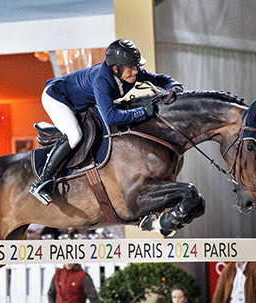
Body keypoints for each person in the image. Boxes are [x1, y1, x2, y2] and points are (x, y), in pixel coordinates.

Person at [29, 39, 183, 205]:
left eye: (135, 66)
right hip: (57, 97)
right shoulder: (102, 80)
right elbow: (111, 117)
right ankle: (43, 182)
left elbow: (159, 79)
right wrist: (142, 112)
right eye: (131, 67)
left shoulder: (129, 71)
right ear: (115, 68)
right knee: (74, 135)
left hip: (80, 101)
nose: (135, 71)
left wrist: (174, 86)